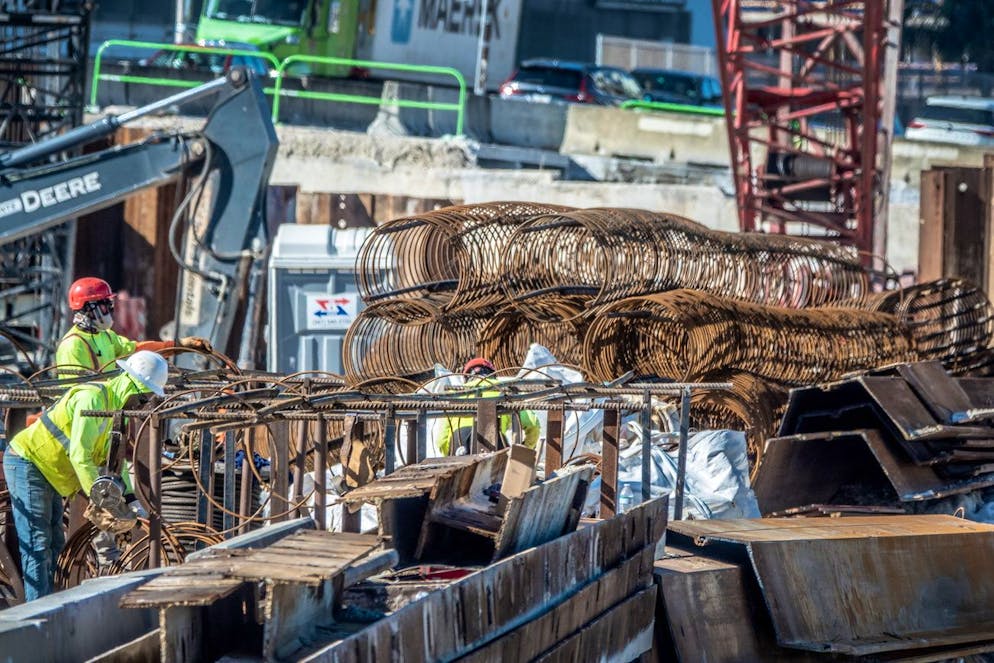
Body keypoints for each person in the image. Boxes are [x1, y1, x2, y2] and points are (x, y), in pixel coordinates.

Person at [3, 351, 168, 600]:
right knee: (38, 544)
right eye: (144, 397)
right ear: (131, 383)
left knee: (57, 544)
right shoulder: (93, 399)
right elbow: (80, 456)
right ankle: (39, 612)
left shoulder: (114, 412)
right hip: (28, 461)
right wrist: (102, 501)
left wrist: (131, 498)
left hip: (49, 471)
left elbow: (115, 461)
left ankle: (57, 603)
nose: (142, 405)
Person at [55, 277, 211, 379]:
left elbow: (137, 350)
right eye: (105, 304)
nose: (110, 309)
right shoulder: (73, 345)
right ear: (88, 308)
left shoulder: (105, 335)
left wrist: (179, 345)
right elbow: (80, 396)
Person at [437, 357, 540, 456]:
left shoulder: (456, 394)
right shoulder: (506, 390)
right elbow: (533, 425)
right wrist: (524, 449)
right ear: (492, 374)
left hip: (459, 444)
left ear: (467, 377)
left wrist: (451, 455)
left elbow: (441, 440)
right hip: (496, 444)